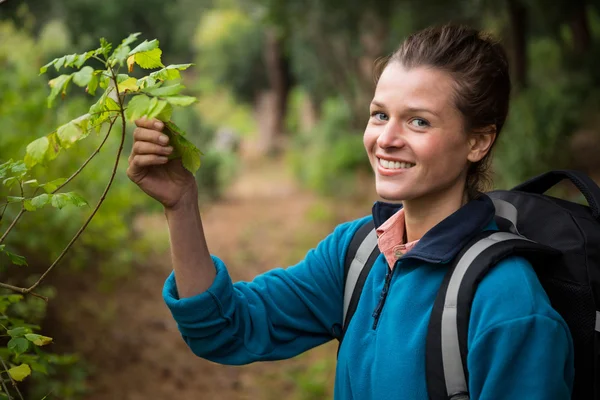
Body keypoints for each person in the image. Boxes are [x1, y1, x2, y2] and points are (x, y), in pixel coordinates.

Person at [127, 25, 574, 399]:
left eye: (419, 121)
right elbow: (226, 328)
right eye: (380, 115)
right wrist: (181, 206)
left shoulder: (510, 304)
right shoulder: (358, 251)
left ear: (478, 142)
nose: (387, 139)